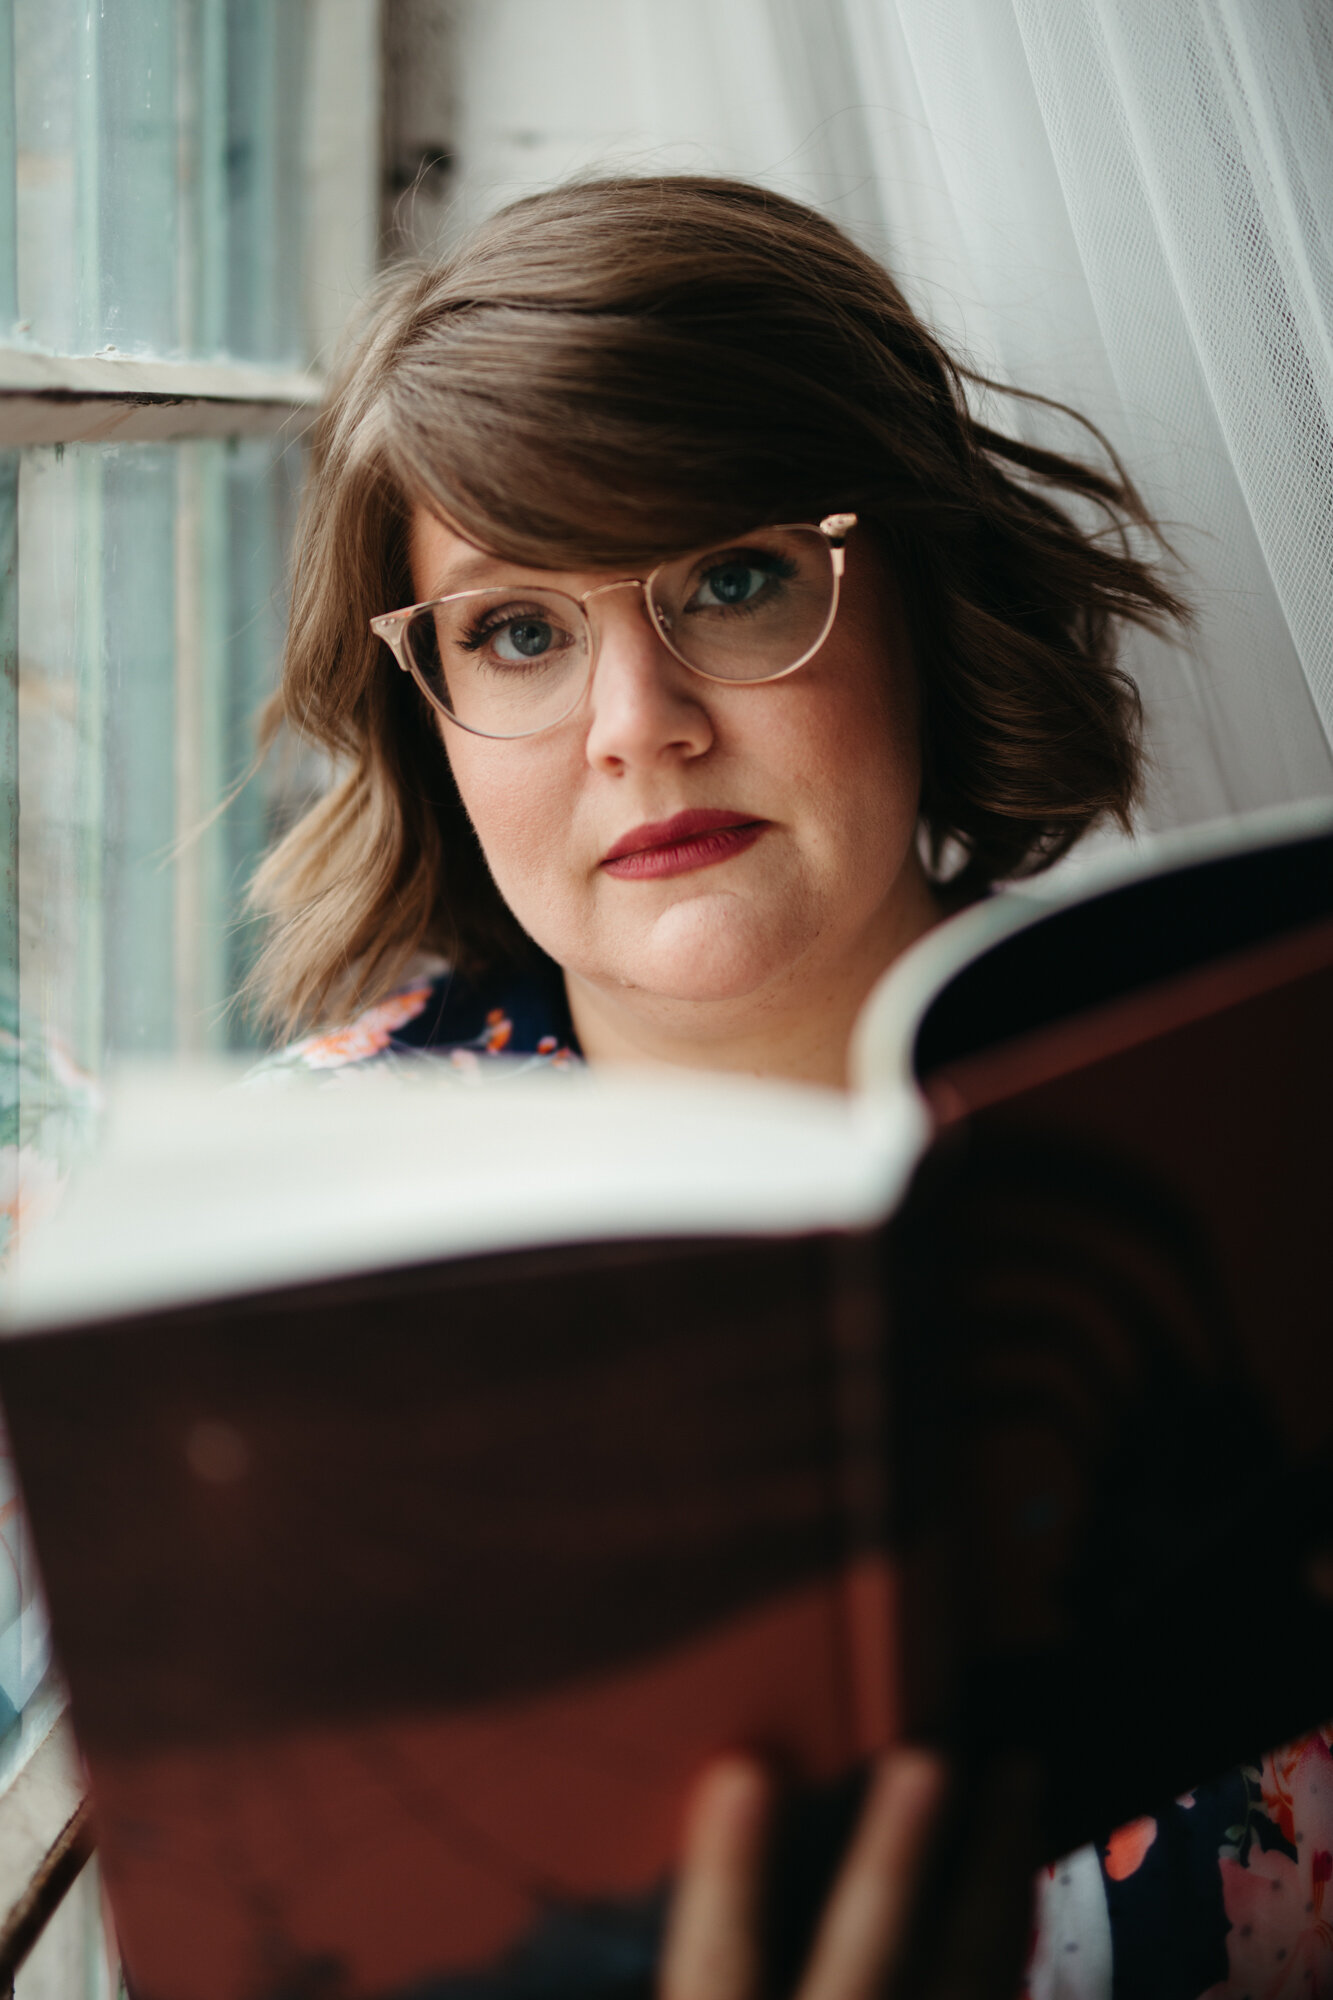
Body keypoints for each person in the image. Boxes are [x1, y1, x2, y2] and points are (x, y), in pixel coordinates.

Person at [249, 177, 1328, 1997]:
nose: (636, 721)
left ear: (916, 592)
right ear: (425, 710)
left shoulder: (1237, 1091)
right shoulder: (268, 1246)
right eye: (519, 631)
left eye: (734, 579)